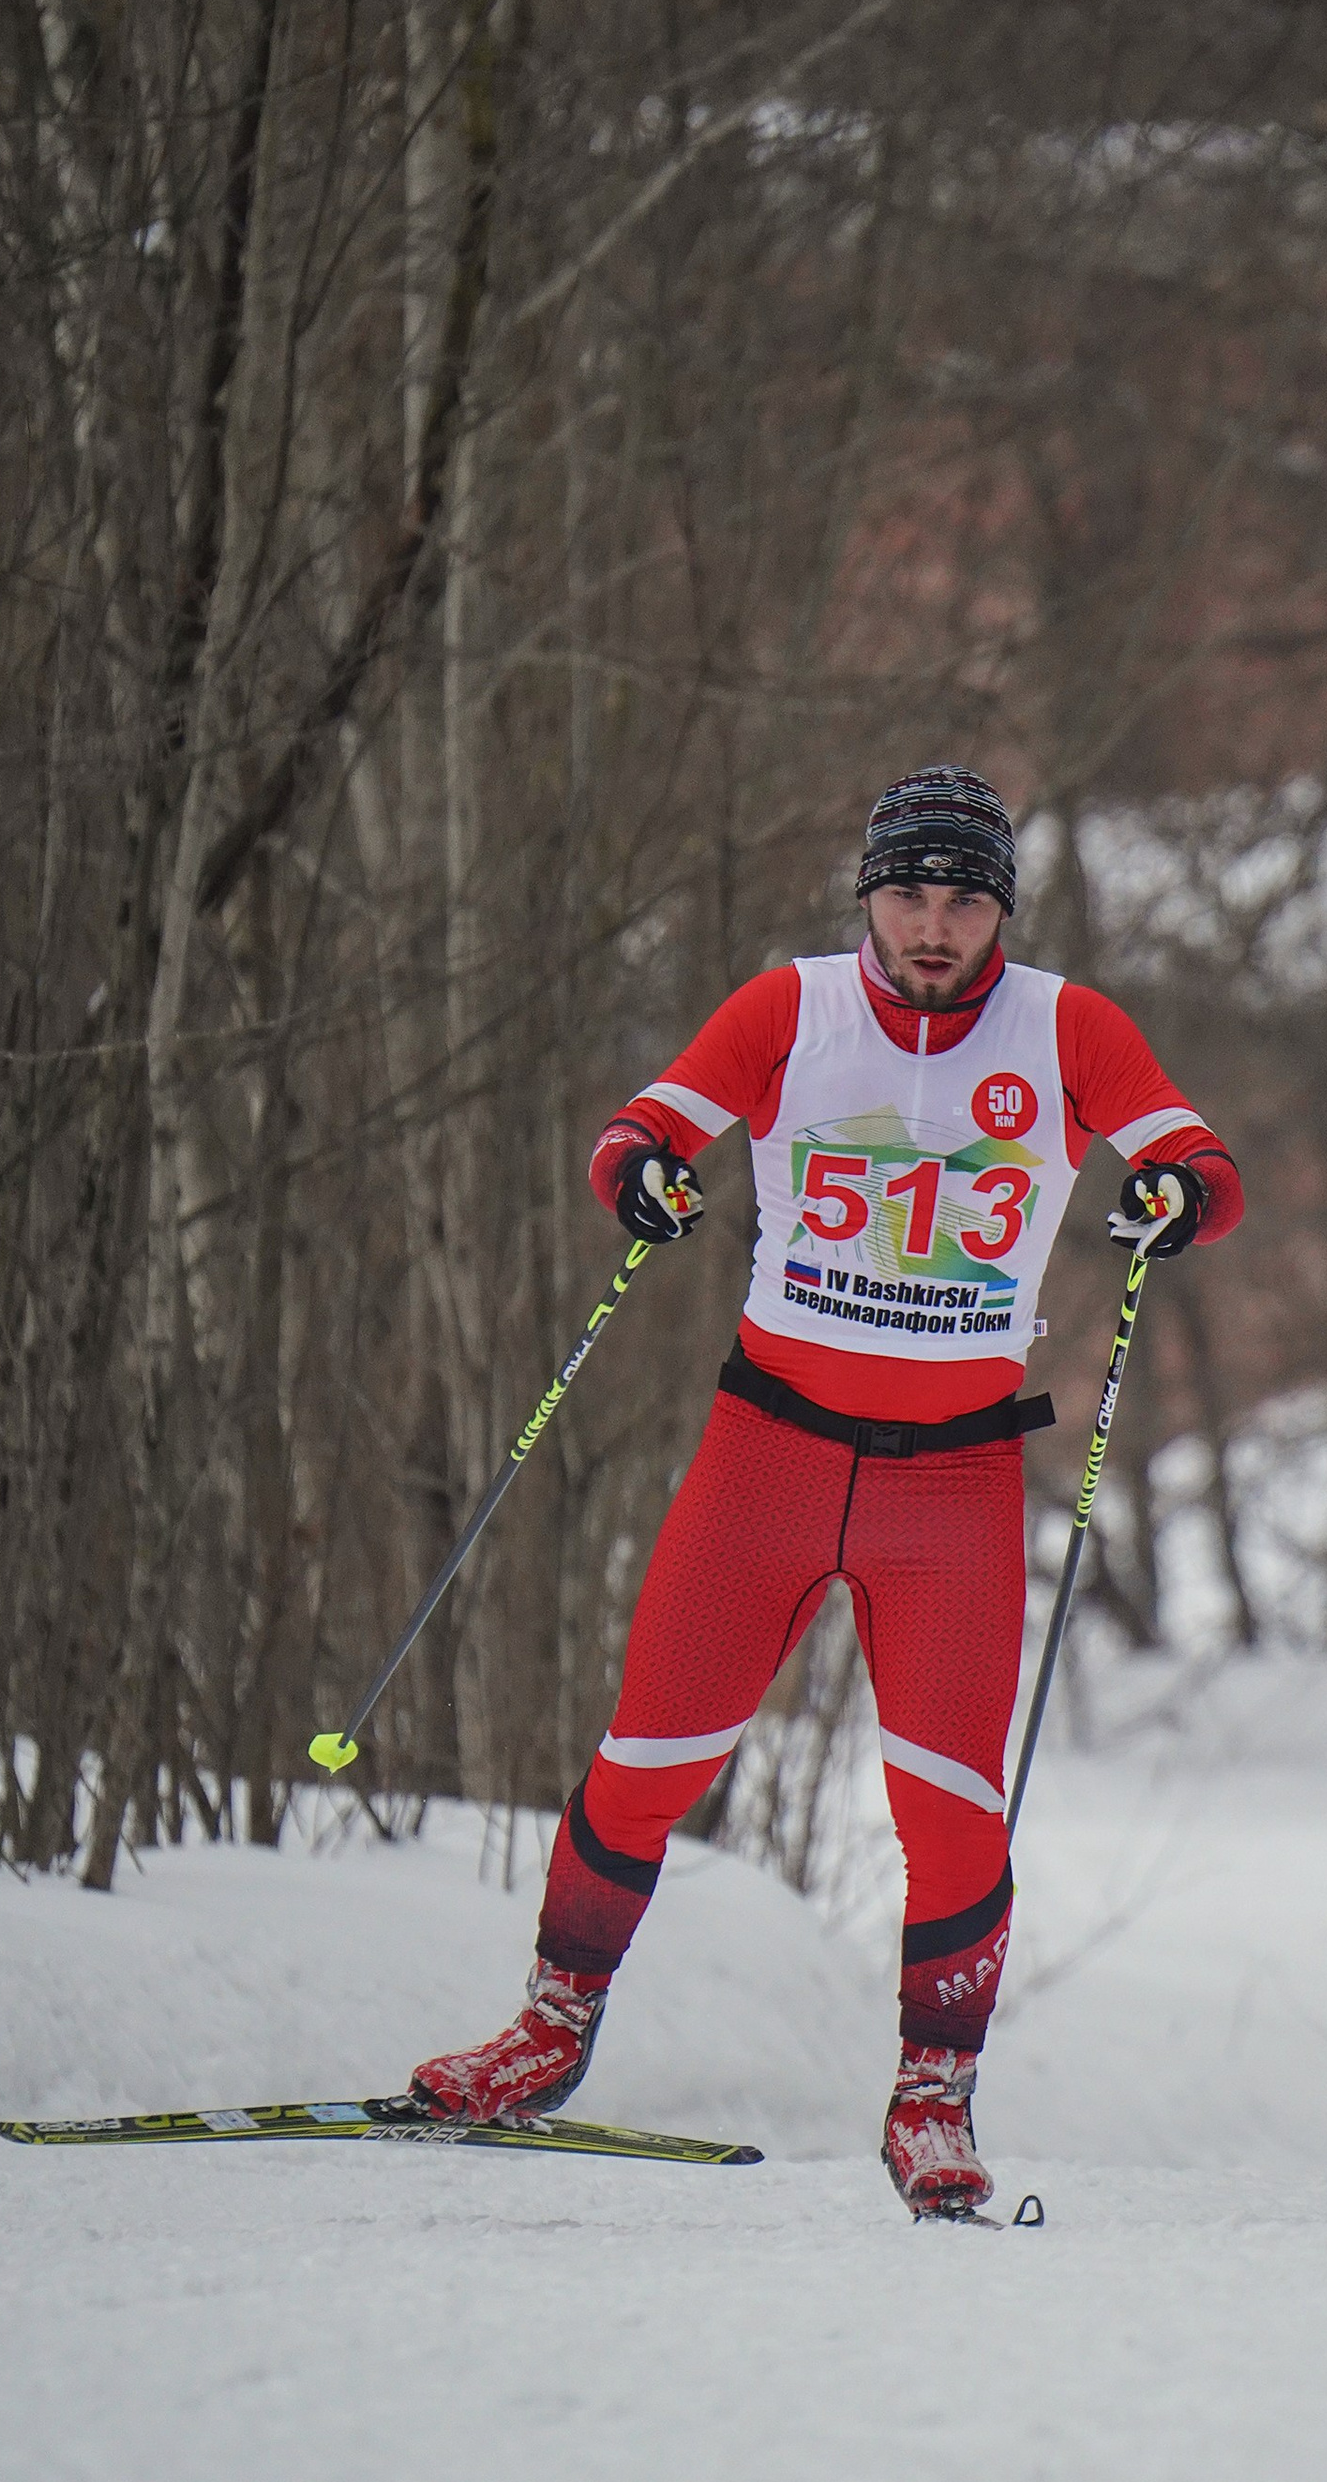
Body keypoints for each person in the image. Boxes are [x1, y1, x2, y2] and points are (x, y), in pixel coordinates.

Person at [408, 765, 1244, 2214]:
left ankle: (933, 2098)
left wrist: (1174, 1195)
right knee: (648, 1760)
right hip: (770, 1457)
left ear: (1001, 912)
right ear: (869, 895)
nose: (935, 926)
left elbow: (1200, 1163)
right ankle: (548, 2030)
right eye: (909, 894)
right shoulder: (789, 1009)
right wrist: (643, 1176)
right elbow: (637, 1132)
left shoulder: (1066, 1028)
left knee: (951, 1807)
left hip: (956, 1483)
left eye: (965, 900)